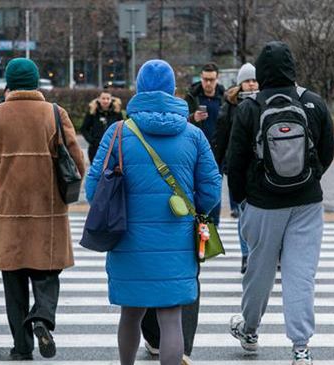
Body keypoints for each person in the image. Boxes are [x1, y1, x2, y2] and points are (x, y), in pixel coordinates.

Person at [86, 59, 221, 365]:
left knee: (130, 314)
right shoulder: (193, 134)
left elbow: (94, 189)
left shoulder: (118, 132)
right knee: (171, 317)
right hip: (177, 239)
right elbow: (212, 187)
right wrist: (193, 209)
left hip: (127, 239)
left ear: (139, 88)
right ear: (173, 89)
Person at [227, 41, 334, 365]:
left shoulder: (250, 107)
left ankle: (249, 329)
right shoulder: (313, 103)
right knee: (300, 275)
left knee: (258, 272)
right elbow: (327, 153)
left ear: (260, 72)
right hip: (307, 204)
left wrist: (242, 201)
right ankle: (300, 347)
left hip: (262, 204)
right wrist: (309, 179)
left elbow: (235, 162)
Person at [0, 58, 85, 360]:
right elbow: (77, 162)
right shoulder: (54, 113)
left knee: (14, 282)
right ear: (36, 82)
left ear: (8, 83)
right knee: (47, 273)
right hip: (48, 211)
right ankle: (42, 317)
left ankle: (21, 347)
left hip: (8, 212)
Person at [217, 62, 259, 273]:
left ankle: (266, 254)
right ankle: (246, 255)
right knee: (243, 215)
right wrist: (219, 163)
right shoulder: (230, 106)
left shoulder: (265, 102)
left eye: (253, 80)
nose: (251, 85)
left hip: (260, 169)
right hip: (237, 168)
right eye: (247, 81)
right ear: (240, 84)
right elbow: (222, 137)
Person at [185, 62, 225, 224]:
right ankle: (196, 222)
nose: (208, 83)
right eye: (205, 79)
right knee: (194, 187)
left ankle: (214, 224)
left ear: (217, 79)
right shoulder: (192, 96)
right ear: (200, 78)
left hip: (218, 151)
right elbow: (179, 121)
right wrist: (192, 118)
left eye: (211, 80)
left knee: (214, 189)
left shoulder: (224, 97)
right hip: (195, 149)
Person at [80, 90, 125, 163]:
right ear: (99, 99)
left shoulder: (117, 113)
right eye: (103, 98)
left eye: (108, 98)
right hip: (95, 149)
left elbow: (122, 128)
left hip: (113, 148)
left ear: (111, 100)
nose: (105, 101)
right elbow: (84, 129)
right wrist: (92, 141)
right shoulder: (92, 112)